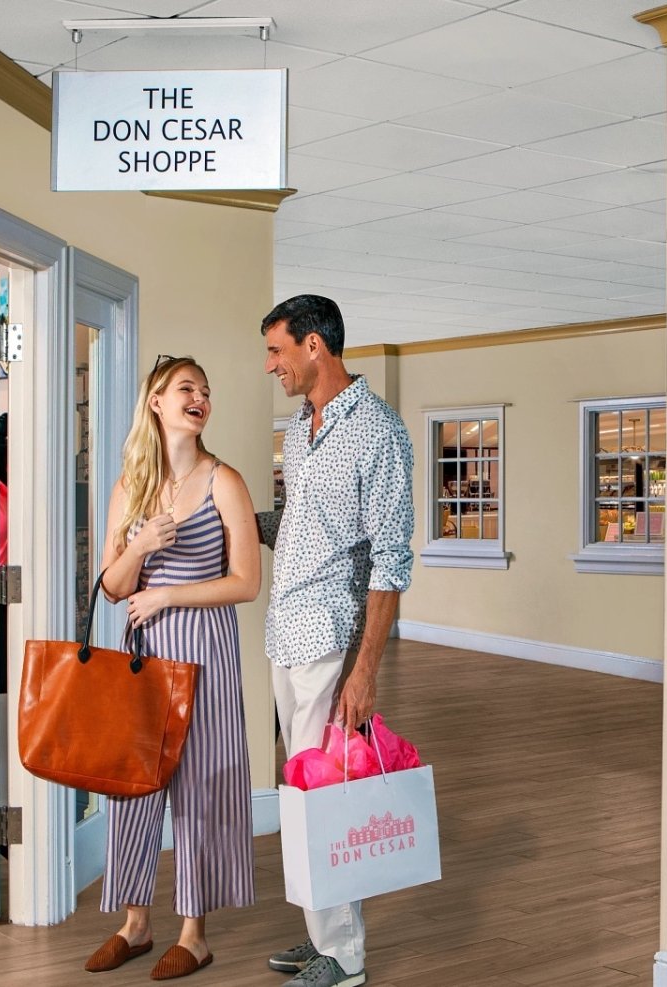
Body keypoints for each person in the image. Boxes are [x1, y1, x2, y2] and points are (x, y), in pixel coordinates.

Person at [84, 355, 262, 981]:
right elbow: (109, 586)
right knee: (134, 785)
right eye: (187, 388)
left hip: (205, 651)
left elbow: (246, 582)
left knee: (200, 787)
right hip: (143, 657)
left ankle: (195, 933)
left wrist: (167, 594)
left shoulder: (225, 482)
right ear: (156, 401)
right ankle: (135, 924)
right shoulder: (130, 486)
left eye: (206, 391)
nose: (200, 398)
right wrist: (140, 546)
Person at [255, 295, 415, 987]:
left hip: (329, 635)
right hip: (283, 629)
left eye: (277, 350)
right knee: (302, 789)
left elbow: (391, 559)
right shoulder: (300, 426)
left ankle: (344, 955)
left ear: (315, 345)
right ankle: (324, 929)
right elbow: (302, 523)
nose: (271, 366)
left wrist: (365, 668)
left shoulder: (378, 431)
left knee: (324, 796)